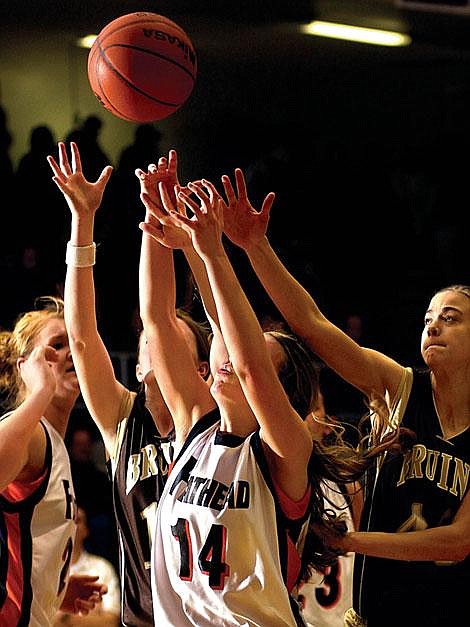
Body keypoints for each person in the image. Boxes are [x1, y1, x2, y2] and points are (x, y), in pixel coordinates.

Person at [205, 167, 470, 627]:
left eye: (451, 318)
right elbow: (311, 323)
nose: (433, 325)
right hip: (375, 612)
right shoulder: (399, 387)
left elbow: (457, 541)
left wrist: (350, 542)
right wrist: (255, 246)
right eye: (429, 317)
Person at [136, 159, 394, 626]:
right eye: (231, 347)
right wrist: (157, 223)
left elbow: (251, 365)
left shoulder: (285, 449)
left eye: (254, 353)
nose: (232, 356)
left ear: (282, 394)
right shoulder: (195, 426)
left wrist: (212, 252)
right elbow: (157, 320)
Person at [47, 141, 212, 626]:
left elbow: (160, 312)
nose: (155, 347)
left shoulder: (214, 423)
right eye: (148, 347)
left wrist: (175, 235)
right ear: (138, 367)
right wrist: (83, 221)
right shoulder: (123, 421)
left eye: (171, 344)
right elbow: (81, 335)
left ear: (201, 371)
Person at [0, 296, 107, 626]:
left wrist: (53, 590)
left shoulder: (53, 443)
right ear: (25, 365)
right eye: (56, 345)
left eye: (74, 344)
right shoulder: (31, 433)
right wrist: (41, 390)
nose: (71, 353)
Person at [298, 389, 361, 627]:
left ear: (329, 424)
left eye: (312, 407)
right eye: (297, 405)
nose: (303, 414)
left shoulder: (347, 483)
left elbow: (365, 557)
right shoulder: (264, 479)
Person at [53, 506, 121, 626]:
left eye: (77, 520)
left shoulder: (102, 568)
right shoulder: (48, 571)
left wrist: (64, 617)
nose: (72, 525)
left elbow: (112, 621)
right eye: (68, 520)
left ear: (86, 530)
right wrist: (92, 616)